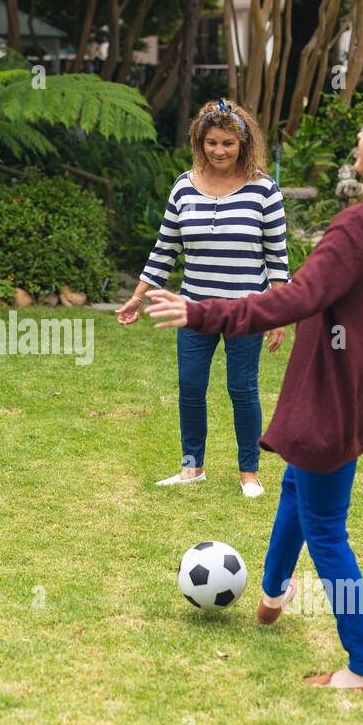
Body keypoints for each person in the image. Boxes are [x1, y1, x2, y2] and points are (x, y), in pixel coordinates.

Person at [145, 97, 363, 695]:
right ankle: (271, 593)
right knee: (298, 480)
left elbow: (291, 299)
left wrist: (200, 312)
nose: (361, 137)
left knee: (325, 524)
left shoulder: (360, 225)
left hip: (334, 398)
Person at [117, 99, 289, 499]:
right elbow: (164, 250)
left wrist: (279, 313)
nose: (219, 151)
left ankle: (249, 473)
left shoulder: (264, 190)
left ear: (243, 144)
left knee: (242, 390)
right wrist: (138, 297)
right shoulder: (184, 186)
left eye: (228, 143)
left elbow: (277, 259)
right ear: (200, 141)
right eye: (211, 142)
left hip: (246, 310)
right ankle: (192, 467)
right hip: (193, 308)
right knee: (191, 387)